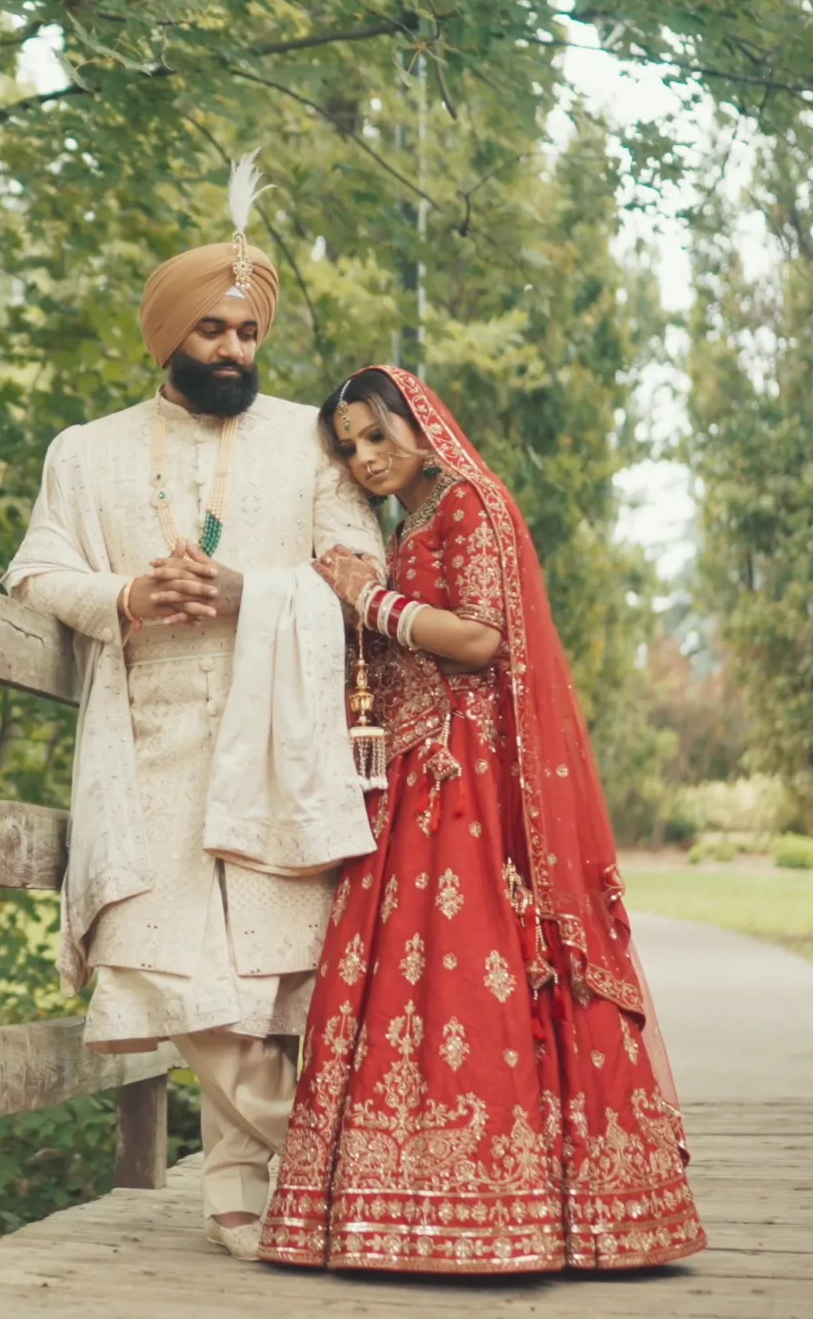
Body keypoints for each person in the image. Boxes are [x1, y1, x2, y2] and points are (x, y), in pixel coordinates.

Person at [3, 158, 384, 1262]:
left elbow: (359, 561)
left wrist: (250, 593)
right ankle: (342, 1169)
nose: (233, 351)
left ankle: (240, 1178)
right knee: (159, 946)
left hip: (278, 732)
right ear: (167, 334)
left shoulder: (310, 444)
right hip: (150, 730)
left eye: (247, 334)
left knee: (267, 964)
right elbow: (35, 575)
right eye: (212, 331)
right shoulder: (85, 452)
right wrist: (126, 593)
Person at [256, 365, 707, 1274]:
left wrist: (368, 600)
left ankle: (512, 1201)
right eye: (349, 446)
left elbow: (482, 637)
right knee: (407, 978)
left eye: (378, 435)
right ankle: (407, 1198)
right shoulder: (411, 518)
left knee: (478, 970)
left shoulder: (470, 500)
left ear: (418, 420)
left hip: (466, 776)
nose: (366, 458)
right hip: (414, 774)